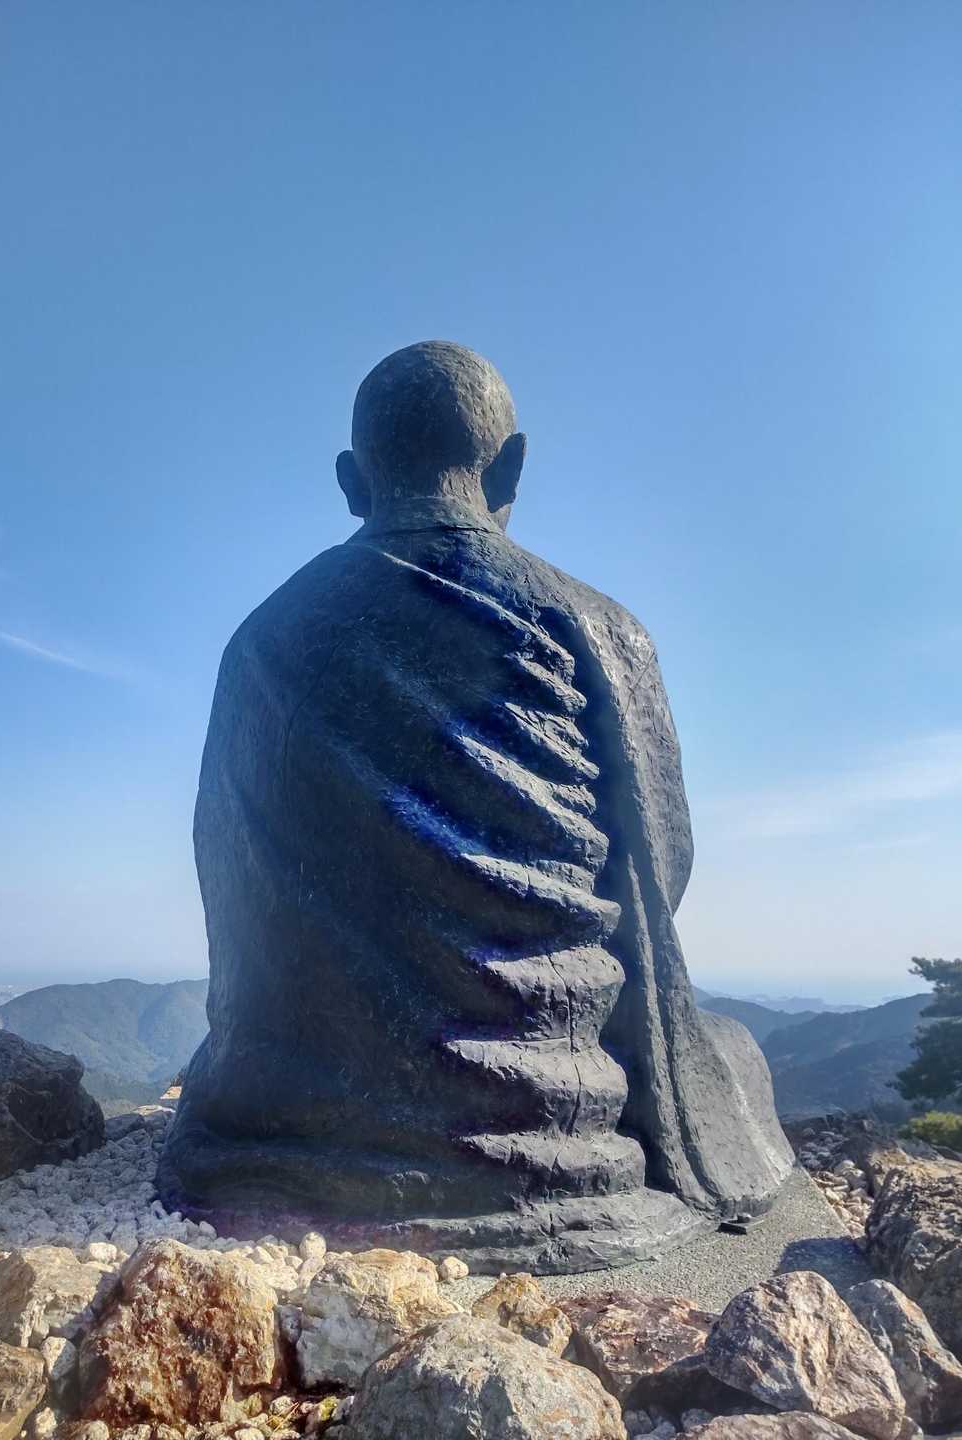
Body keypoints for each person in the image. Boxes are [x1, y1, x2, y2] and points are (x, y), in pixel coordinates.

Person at [157, 341, 792, 1272]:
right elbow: (663, 868)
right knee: (731, 1052)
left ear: (351, 482)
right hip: (548, 1120)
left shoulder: (259, 641)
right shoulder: (599, 628)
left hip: (276, 1116)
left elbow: (228, 873)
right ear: (513, 468)